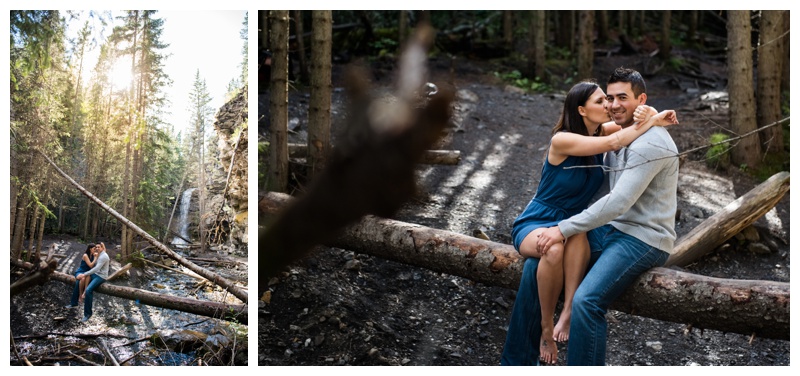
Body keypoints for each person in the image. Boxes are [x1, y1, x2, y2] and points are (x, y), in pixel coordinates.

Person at [503, 67, 681, 366]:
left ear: (640, 99)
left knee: (588, 301)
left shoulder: (648, 143)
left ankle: (572, 315)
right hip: (562, 221)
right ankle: (518, 362)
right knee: (536, 264)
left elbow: (619, 201)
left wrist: (652, 116)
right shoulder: (588, 137)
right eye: (607, 99)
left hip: (642, 237)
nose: (612, 105)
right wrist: (650, 115)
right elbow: (616, 140)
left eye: (620, 98)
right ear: (583, 110)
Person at [69, 242, 110, 322]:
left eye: (99, 247)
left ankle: (88, 314)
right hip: (95, 274)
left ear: (102, 248)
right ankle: (74, 302)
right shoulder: (99, 254)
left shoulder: (103, 256)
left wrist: (85, 273)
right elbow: (103, 251)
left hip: (101, 276)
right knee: (79, 281)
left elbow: (96, 268)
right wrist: (85, 275)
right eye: (96, 247)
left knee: (89, 290)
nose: (97, 249)